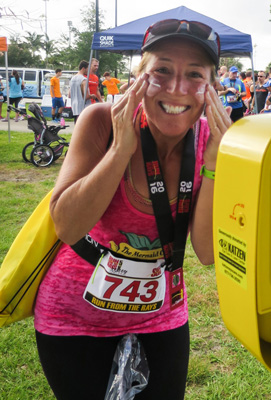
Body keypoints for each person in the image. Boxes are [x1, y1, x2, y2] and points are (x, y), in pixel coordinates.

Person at [34, 18, 231, 400]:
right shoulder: (101, 121)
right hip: (73, 316)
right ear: (139, 77)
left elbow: (206, 252)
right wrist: (120, 149)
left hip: (162, 312)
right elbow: (67, 227)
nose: (177, 88)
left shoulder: (213, 140)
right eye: (161, 70)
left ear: (212, 89)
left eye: (194, 74)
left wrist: (213, 162)